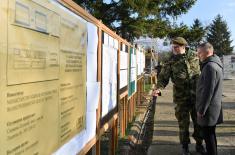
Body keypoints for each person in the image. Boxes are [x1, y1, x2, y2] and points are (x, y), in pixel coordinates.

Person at [152, 37, 205, 155]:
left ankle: (199, 145)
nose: (174, 49)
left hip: (197, 97)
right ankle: (185, 147)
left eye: (176, 47)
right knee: (183, 124)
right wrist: (158, 89)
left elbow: (205, 67)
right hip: (181, 98)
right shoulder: (170, 61)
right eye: (172, 47)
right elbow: (163, 78)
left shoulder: (195, 56)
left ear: (183, 47)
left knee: (199, 122)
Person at [196, 42, 223, 155]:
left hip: (208, 109)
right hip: (212, 107)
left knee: (209, 136)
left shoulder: (210, 67)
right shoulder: (214, 64)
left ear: (207, 52)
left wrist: (201, 110)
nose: (198, 55)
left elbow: (208, 91)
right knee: (210, 134)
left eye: (199, 53)